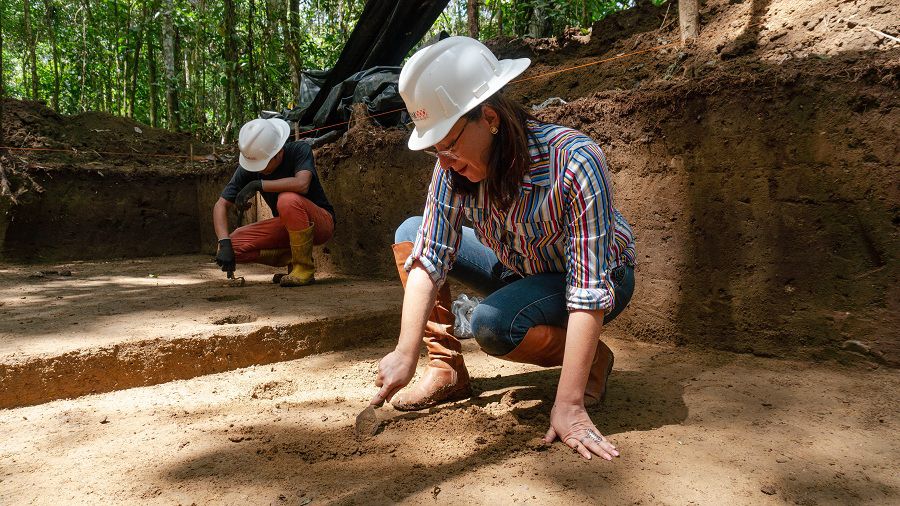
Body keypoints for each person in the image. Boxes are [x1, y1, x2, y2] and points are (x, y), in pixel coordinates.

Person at [371, 37, 636, 461]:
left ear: (489, 118)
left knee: (492, 325)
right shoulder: (451, 170)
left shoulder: (574, 161)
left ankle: (591, 360)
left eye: (449, 144)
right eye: (434, 149)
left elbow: (588, 287)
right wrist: (405, 352)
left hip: (597, 278)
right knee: (411, 231)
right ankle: (446, 370)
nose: (443, 160)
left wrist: (568, 407)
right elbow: (431, 254)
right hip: (521, 266)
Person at [213, 118, 335, 286]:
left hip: (320, 222)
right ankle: (293, 259)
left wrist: (258, 184)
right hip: (286, 226)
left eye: (262, 164)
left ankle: (304, 268)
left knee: (287, 199)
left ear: (278, 152)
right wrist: (224, 242)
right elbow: (220, 205)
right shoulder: (251, 166)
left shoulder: (300, 150)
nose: (258, 169)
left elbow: (302, 184)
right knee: (229, 246)